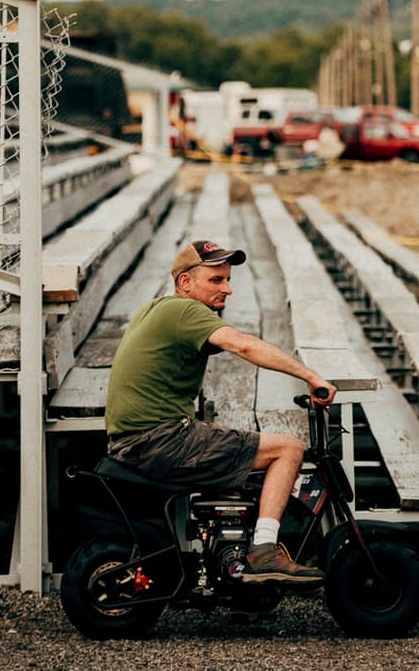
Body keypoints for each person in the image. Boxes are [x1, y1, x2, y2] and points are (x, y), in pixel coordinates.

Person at [104, 238, 337, 585]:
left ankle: (233, 550)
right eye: (216, 280)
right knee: (288, 448)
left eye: (228, 279)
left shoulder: (154, 309)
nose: (227, 289)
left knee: (246, 444)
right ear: (186, 282)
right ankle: (264, 552)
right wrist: (310, 376)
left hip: (138, 439)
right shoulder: (186, 311)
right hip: (161, 439)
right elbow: (243, 344)